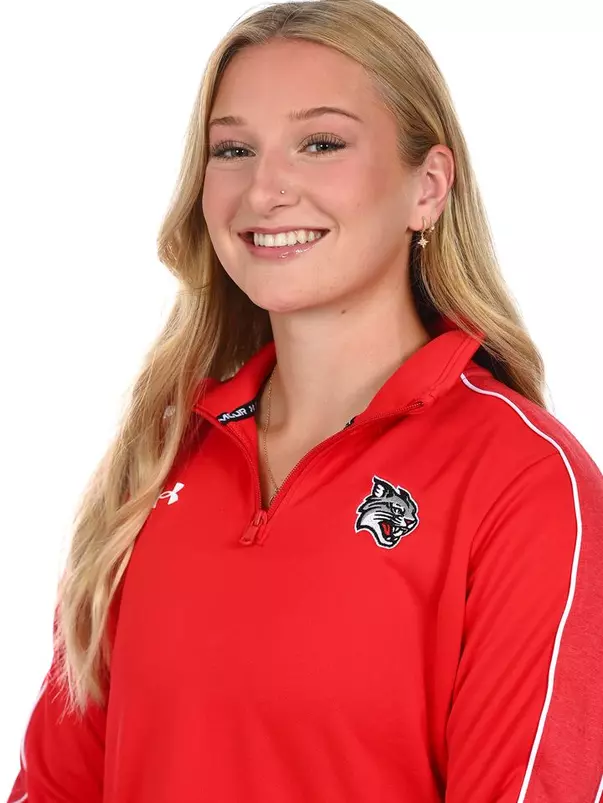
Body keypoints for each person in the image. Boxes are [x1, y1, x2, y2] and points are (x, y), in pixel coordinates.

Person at [7, 0, 603, 801]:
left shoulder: (525, 482)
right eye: (232, 148)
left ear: (427, 188)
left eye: (319, 143)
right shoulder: (155, 461)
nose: (265, 189)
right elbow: (55, 787)